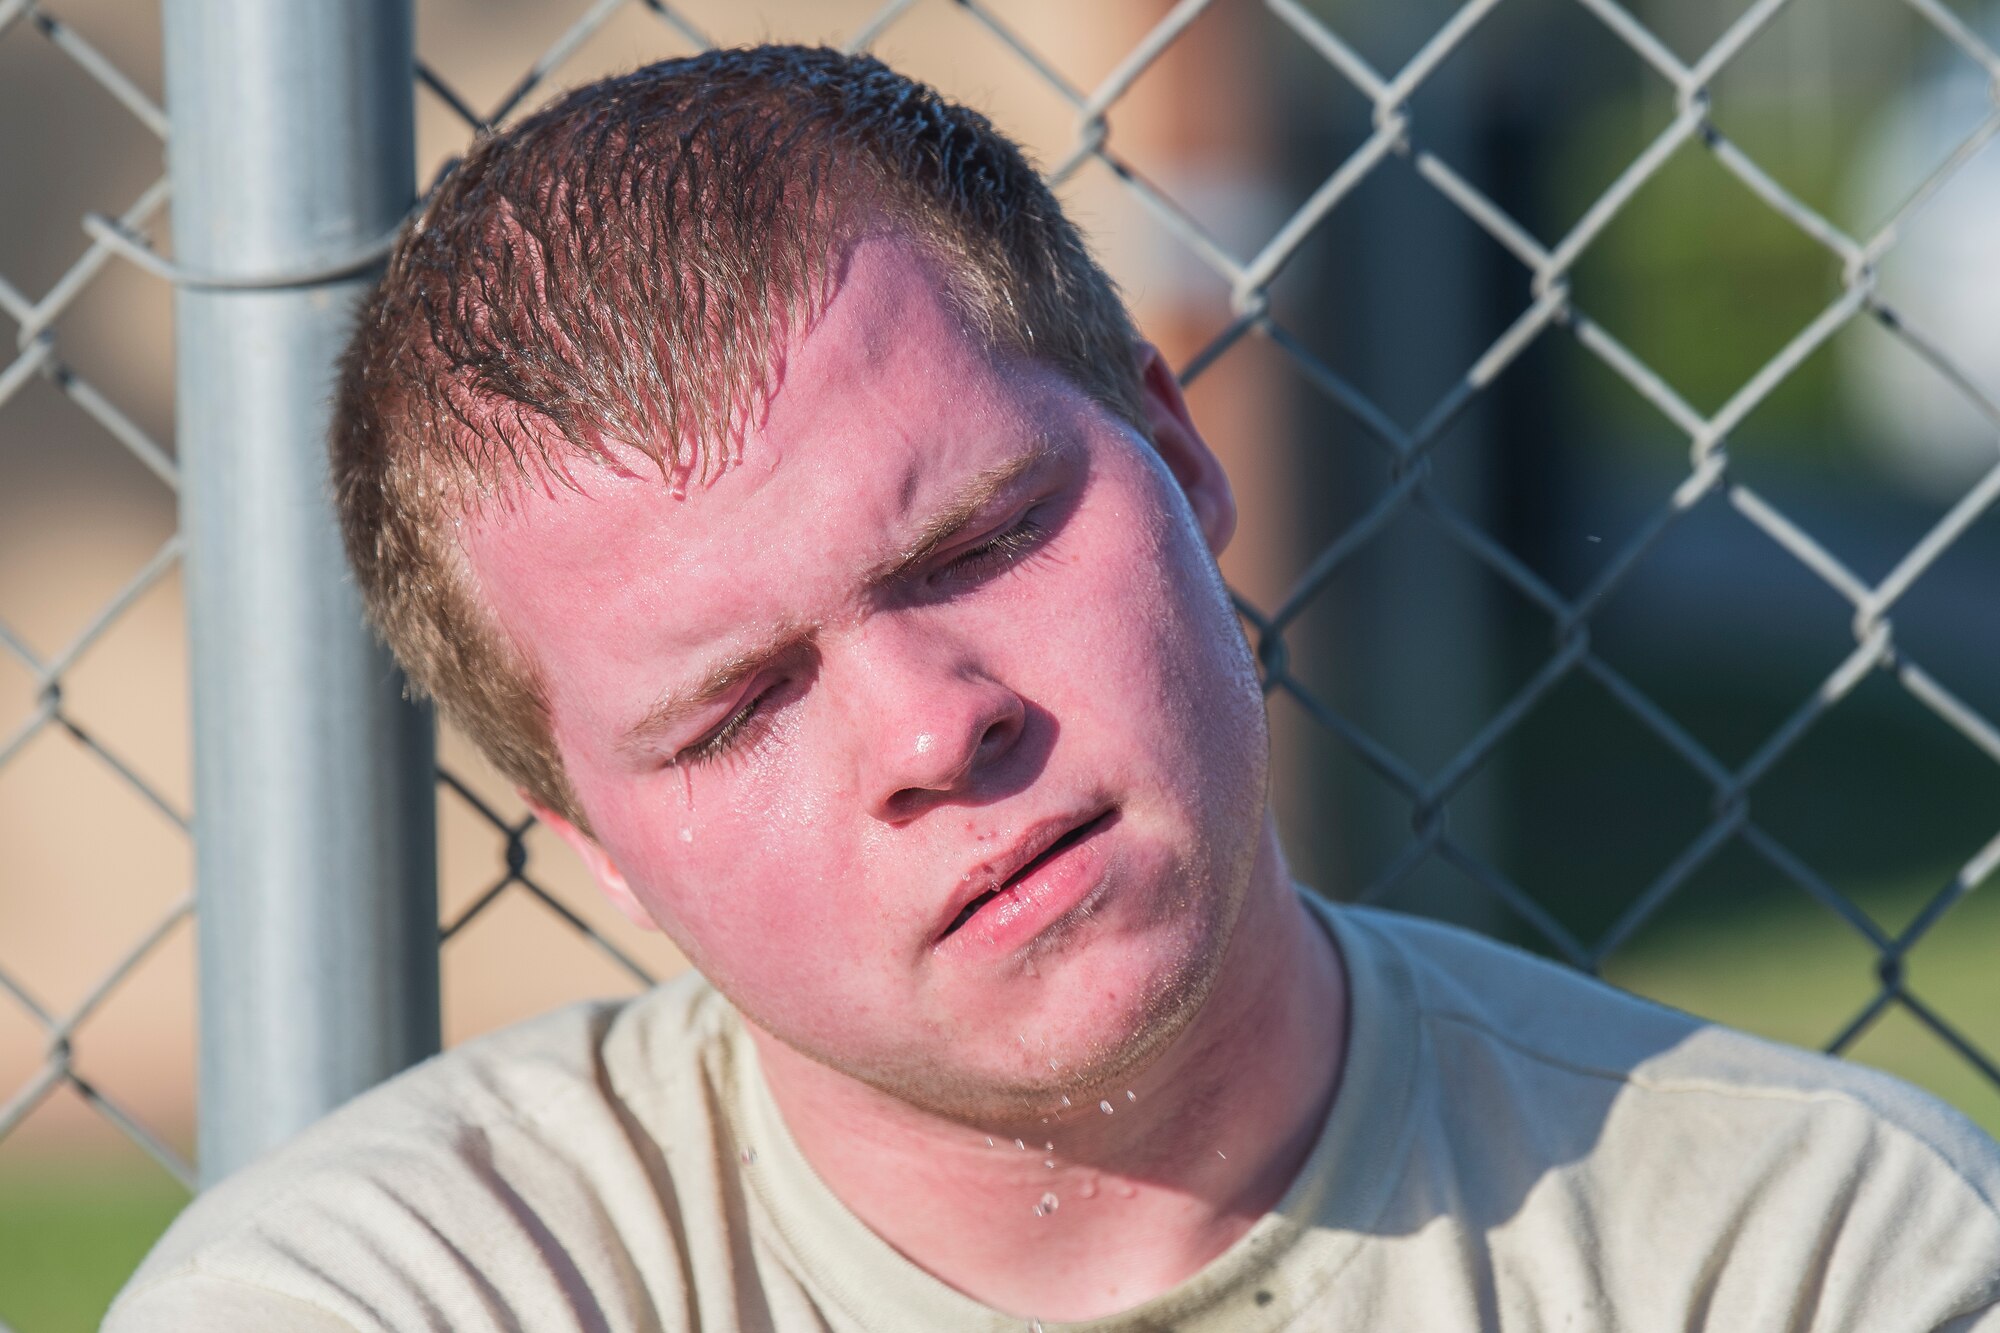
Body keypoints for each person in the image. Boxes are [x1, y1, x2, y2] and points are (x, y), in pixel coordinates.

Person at [108, 45, 2000, 1332]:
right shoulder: (386, 1295)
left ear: (1178, 457)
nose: (937, 730)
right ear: (596, 838)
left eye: (976, 543)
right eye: (738, 704)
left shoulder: (1796, 1251)